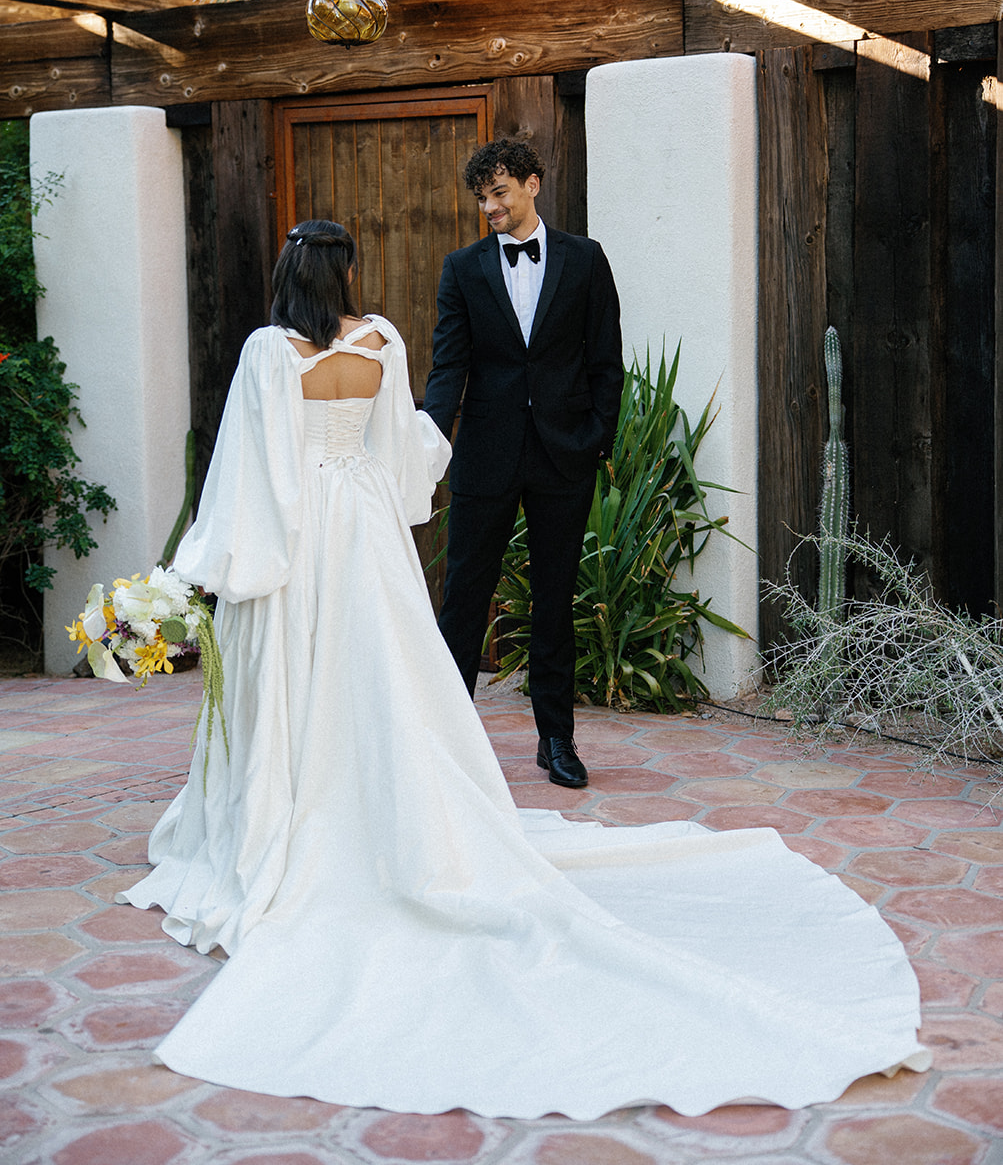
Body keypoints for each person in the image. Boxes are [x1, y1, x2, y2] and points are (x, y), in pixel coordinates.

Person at [118, 217, 928, 1119]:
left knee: (302, 673)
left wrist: (226, 565)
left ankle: (299, 799)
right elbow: (412, 449)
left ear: (286, 278)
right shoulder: (380, 340)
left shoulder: (270, 354)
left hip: (303, 530)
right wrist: (379, 490)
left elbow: (252, 471)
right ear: (343, 274)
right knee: (386, 669)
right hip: (367, 531)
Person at [424, 139, 623, 788]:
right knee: (462, 599)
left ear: (533, 184)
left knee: (554, 601)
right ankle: (451, 743)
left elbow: (605, 361)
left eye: (499, 192)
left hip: (564, 454)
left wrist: (598, 438)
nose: (489, 206)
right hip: (485, 454)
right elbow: (449, 364)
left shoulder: (585, 259)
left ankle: (556, 740)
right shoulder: (463, 268)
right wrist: (430, 437)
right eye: (481, 197)